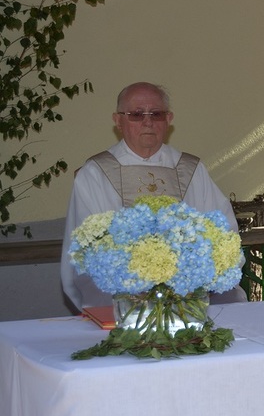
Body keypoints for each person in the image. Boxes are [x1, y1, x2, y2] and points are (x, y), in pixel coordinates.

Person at [60, 82, 245, 310]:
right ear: (118, 121)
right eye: (137, 115)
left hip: (190, 296)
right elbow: (85, 248)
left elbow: (224, 232)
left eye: (156, 114)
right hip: (124, 300)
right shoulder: (95, 173)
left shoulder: (190, 169)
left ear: (168, 119)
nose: (147, 122)